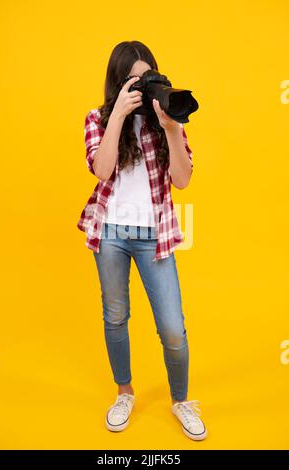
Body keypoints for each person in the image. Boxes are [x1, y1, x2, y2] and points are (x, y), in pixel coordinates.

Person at [77, 41, 207, 441]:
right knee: (116, 317)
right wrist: (117, 114)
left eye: (148, 77)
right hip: (111, 232)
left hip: (154, 235)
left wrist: (171, 127)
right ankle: (124, 392)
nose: (142, 86)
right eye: (134, 78)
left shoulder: (164, 121)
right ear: (118, 82)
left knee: (172, 327)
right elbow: (101, 170)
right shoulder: (97, 118)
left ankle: (181, 400)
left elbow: (182, 180)